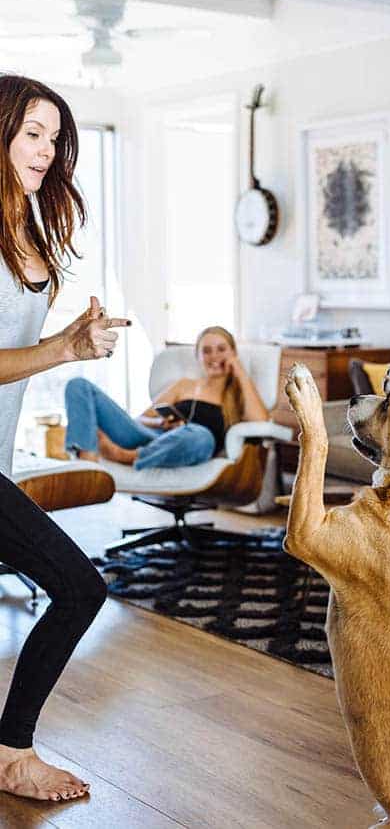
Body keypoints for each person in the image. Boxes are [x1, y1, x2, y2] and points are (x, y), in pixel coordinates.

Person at [0, 74, 130, 802]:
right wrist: (63, 352)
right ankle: (13, 753)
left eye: (54, 137)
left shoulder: (31, 231)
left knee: (75, 589)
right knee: (80, 586)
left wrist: (71, 338)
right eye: (31, 134)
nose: (47, 151)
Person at [64, 326, 269, 468]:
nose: (214, 356)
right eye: (206, 351)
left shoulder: (239, 393)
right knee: (78, 385)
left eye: (221, 349)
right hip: (152, 436)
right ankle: (87, 462)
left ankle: (125, 456)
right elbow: (141, 419)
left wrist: (239, 370)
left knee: (200, 434)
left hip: (194, 446)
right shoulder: (184, 385)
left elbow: (261, 422)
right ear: (198, 356)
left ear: (233, 353)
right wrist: (160, 422)